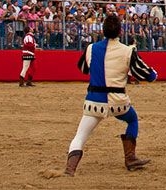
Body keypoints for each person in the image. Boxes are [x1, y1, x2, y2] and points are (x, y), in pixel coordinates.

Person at [65, 13, 159, 176]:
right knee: (132, 119)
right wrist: (154, 74)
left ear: (103, 31)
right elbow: (147, 75)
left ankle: (70, 169)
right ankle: (130, 158)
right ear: (120, 32)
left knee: (80, 136)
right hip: (118, 102)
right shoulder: (128, 51)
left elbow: (82, 69)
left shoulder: (91, 48)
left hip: (94, 102)